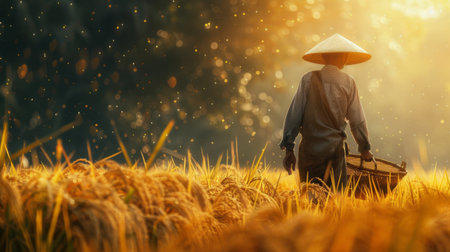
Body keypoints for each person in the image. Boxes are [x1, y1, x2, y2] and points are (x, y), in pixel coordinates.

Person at [280, 34, 373, 190]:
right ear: (344, 58)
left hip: (309, 152)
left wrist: (288, 147)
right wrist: (364, 148)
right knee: (334, 202)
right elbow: (357, 120)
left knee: (309, 199)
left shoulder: (307, 79)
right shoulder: (348, 82)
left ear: (323, 57)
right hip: (334, 152)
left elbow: (294, 115)